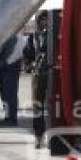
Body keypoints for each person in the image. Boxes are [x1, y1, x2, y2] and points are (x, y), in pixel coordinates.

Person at [27, 10, 53, 148]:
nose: (43, 22)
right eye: (41, 19)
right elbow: (27, 53)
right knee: (37, 107)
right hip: (37, 75)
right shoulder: (33, 37)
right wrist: (30, 65)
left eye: (46, 19)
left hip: (52, 74)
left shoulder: (55, 35)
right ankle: (38, 136)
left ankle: (53, 136)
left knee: (53, 107)